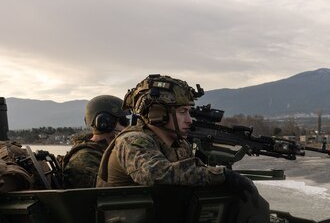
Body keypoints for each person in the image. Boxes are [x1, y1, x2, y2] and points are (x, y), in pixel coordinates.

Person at [96, 74, 256, 197]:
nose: (189, 120)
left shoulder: (177, 142)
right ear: (157, 113)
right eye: (182, 112)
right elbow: (156, 175)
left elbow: (191, 174)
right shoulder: (132, 140)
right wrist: (222, 175)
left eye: (189, 112)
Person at [62, 95, 128, 188]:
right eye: (124, 121)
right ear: (104, 122)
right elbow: (105, 192)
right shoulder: (85, 157)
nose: (128, 127)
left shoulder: (103, 150)